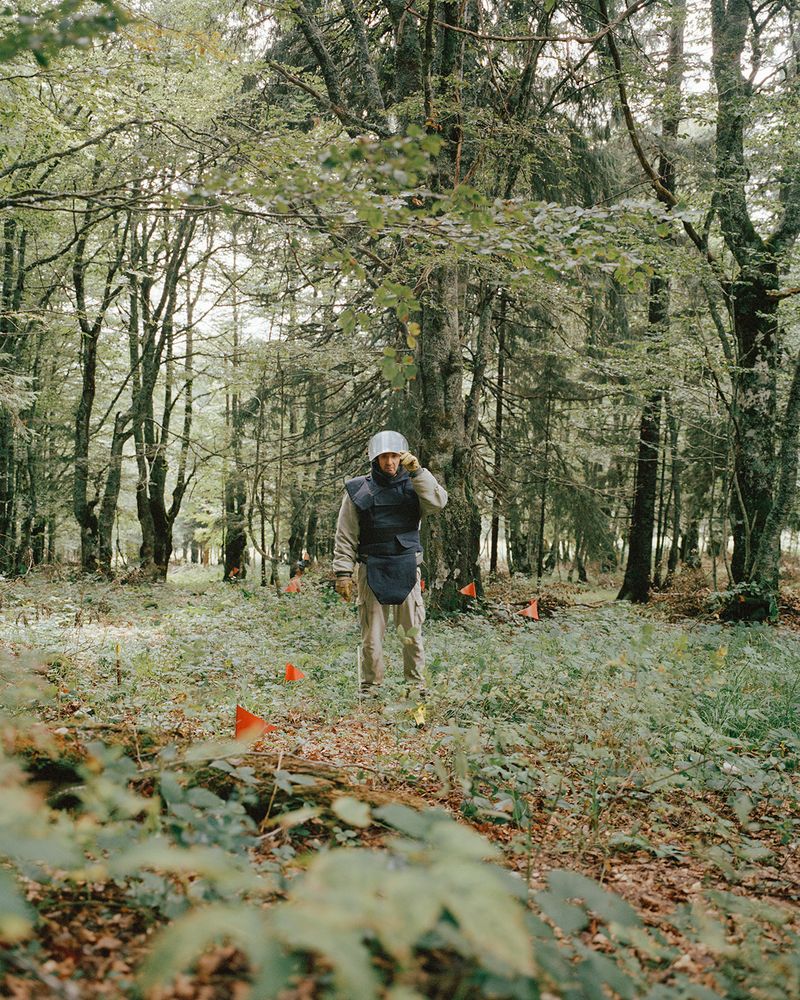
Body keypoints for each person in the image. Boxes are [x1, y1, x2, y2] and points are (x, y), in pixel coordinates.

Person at [333, 430, 448, 699]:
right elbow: (346, 534)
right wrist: (342, 573)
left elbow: (439, 502)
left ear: (402, 457)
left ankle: (416, 687)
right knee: (371, 638)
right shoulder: (358, 490)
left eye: (394, 456)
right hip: (371, 569)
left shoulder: (416, 484)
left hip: (406, 567)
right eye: (384, 457)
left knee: (411, 635)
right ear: (375, 459)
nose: (390, 462)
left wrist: (419, 472)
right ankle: (370, 689)